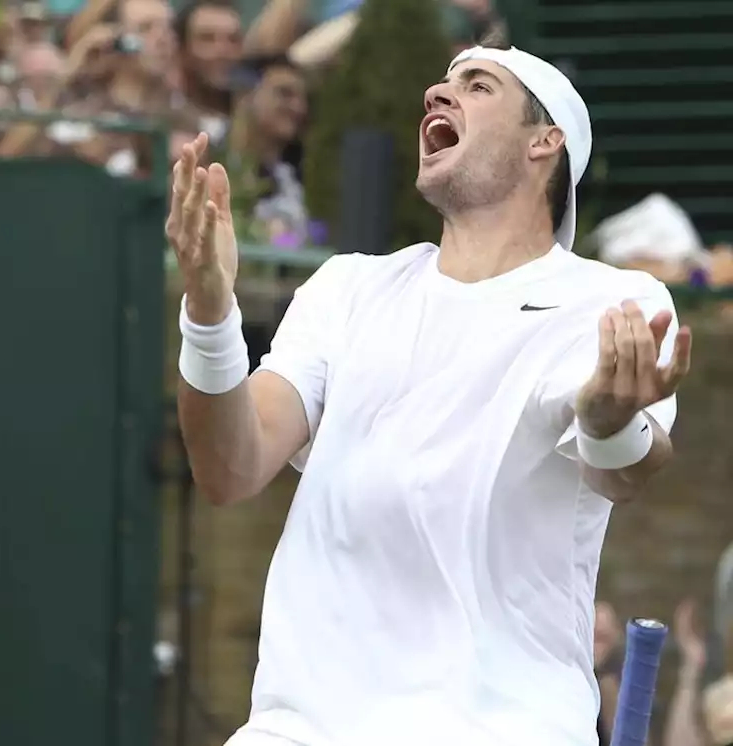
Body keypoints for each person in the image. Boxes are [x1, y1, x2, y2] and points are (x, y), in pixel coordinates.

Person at [165, 38, 694, 746]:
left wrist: (607, 418)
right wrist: (209, 312)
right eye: (443, 83)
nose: (437, 96)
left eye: (478, 87)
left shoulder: (614, 298)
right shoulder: (345, 288)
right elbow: (230, 467)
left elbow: (624, 470)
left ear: (546, 141)